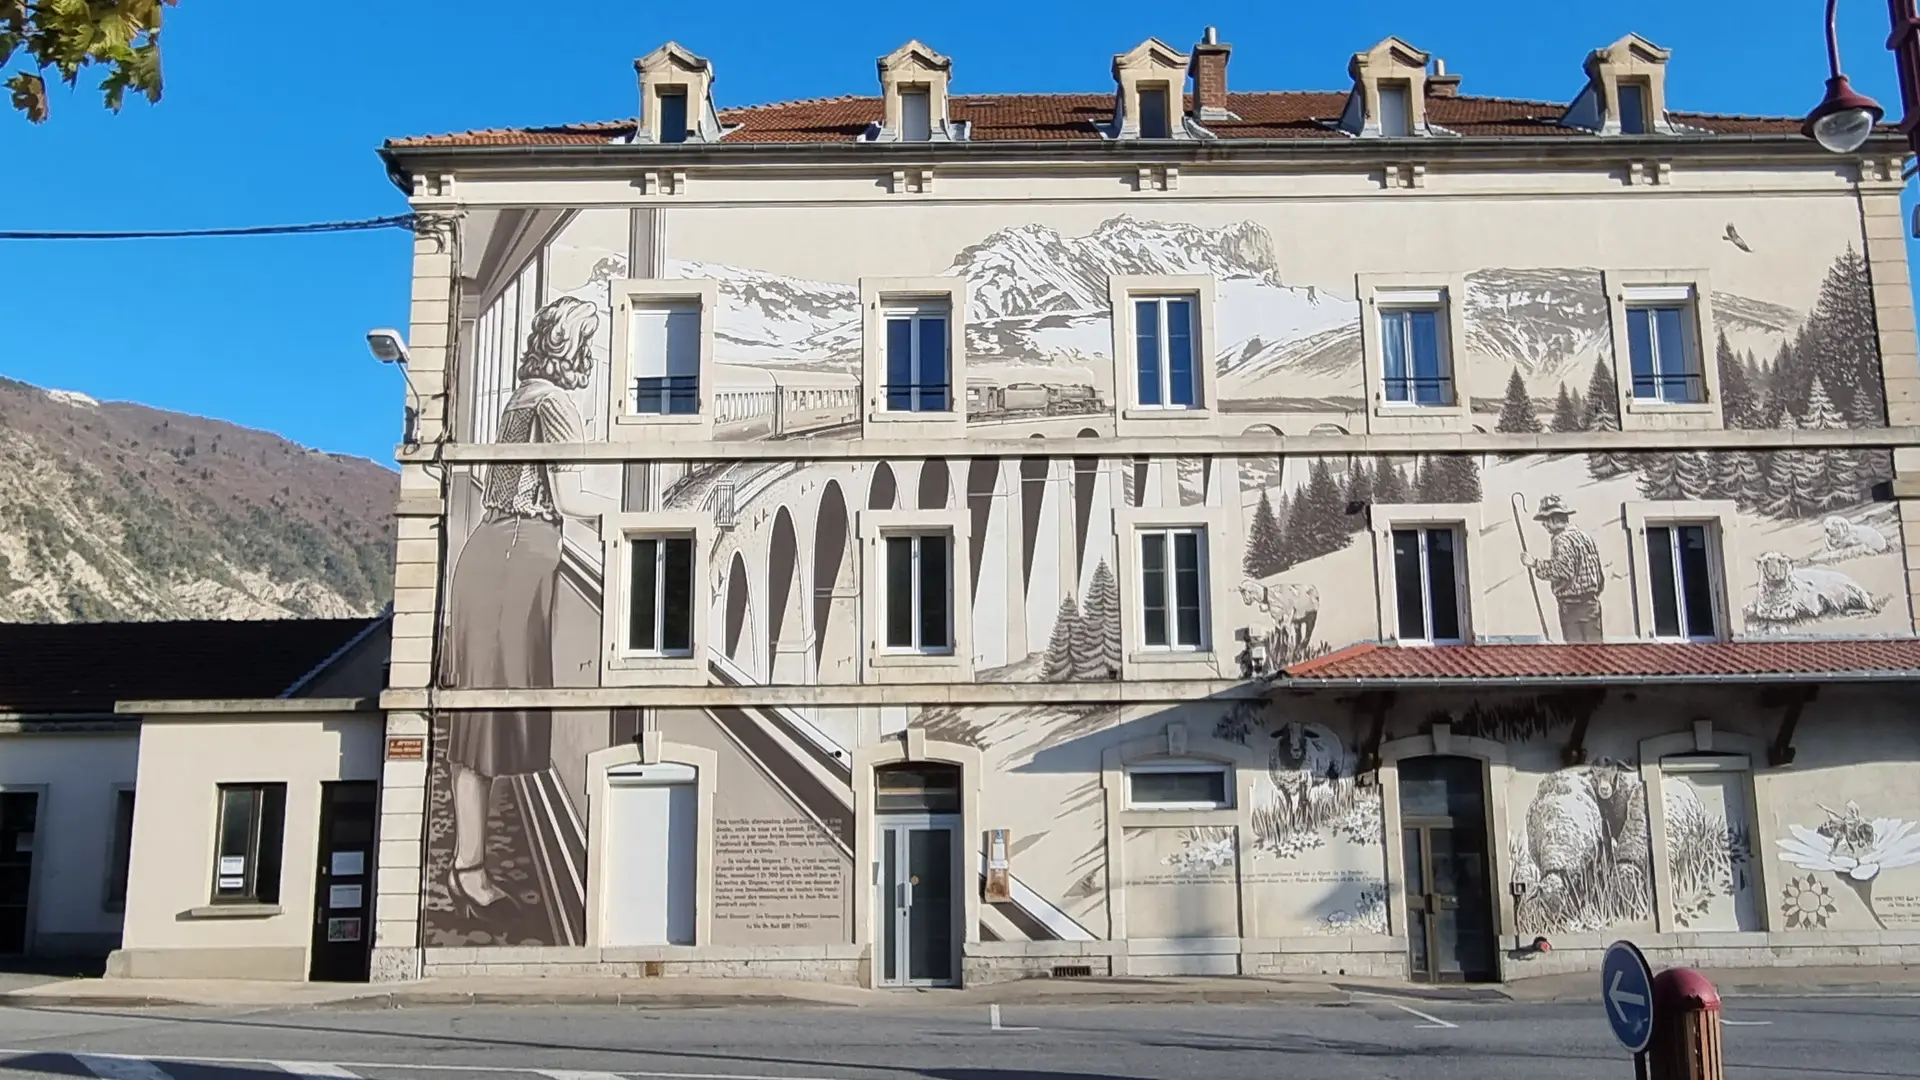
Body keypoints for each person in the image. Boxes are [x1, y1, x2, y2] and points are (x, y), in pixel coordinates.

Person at [439, 295, 611, 923]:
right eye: (588, 342)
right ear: (571, 347)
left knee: (475, 717)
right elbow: (569, 497)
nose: (593, 354)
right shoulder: (556, 405)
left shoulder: (519, 399)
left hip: (488, 551)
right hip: (518, 555)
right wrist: (634, 515)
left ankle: (468, 864)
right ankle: (470, 870)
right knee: (491, 714)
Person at [1520, 494, 1606, 643]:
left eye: (1545, 520)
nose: (1544, 525)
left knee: (1576, 654)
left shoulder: (1561, 539)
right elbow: (1599, 575)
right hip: (1592, 604)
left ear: (1554, 519)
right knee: (1595, 652)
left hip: (1573, 607)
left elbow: (1564, 570)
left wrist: (1536, 564)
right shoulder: (1585, 537)